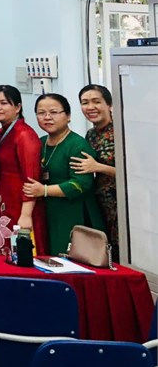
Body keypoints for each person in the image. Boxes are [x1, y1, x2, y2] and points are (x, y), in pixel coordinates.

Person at [24, 94, 105, 255]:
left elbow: (80, 184)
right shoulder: (40, 142)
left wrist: (44, 190)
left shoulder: (77, 145)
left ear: (68, 116)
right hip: (48, 211)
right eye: (41, 113)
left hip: (73, 212)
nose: (47, 117)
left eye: (54, 112)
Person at [0, 85, 47, 258]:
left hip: (21, 205)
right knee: (3, 254)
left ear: (18, 107)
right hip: (2, 203)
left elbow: (31, 178)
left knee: (23, 254)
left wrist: (26, 215)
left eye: (4, 103)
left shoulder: (24, 135)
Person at [73, 84, 117, 259]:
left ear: (109, 104)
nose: (90, 107)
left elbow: (135, 173)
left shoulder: (122, 131)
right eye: (85, 102)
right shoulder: (91, 134)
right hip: (99, 203)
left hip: (122, 204)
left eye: (96, 102)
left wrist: (98, 167)